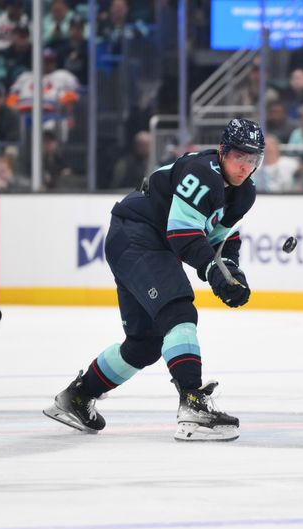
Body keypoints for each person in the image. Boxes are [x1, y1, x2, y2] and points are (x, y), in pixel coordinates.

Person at [44, 118, 264, 442]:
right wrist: (214, 272)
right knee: (178, 312)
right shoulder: (202, 173)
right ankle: (193, 402)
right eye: (239, 157)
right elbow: (183, 233)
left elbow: (219, 242)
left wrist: (230, 274)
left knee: (145, 345)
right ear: (222, 151)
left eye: (252, 159)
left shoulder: (244, 195)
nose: (245, 166)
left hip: (141, 241)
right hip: (137, 237)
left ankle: (76, 398)